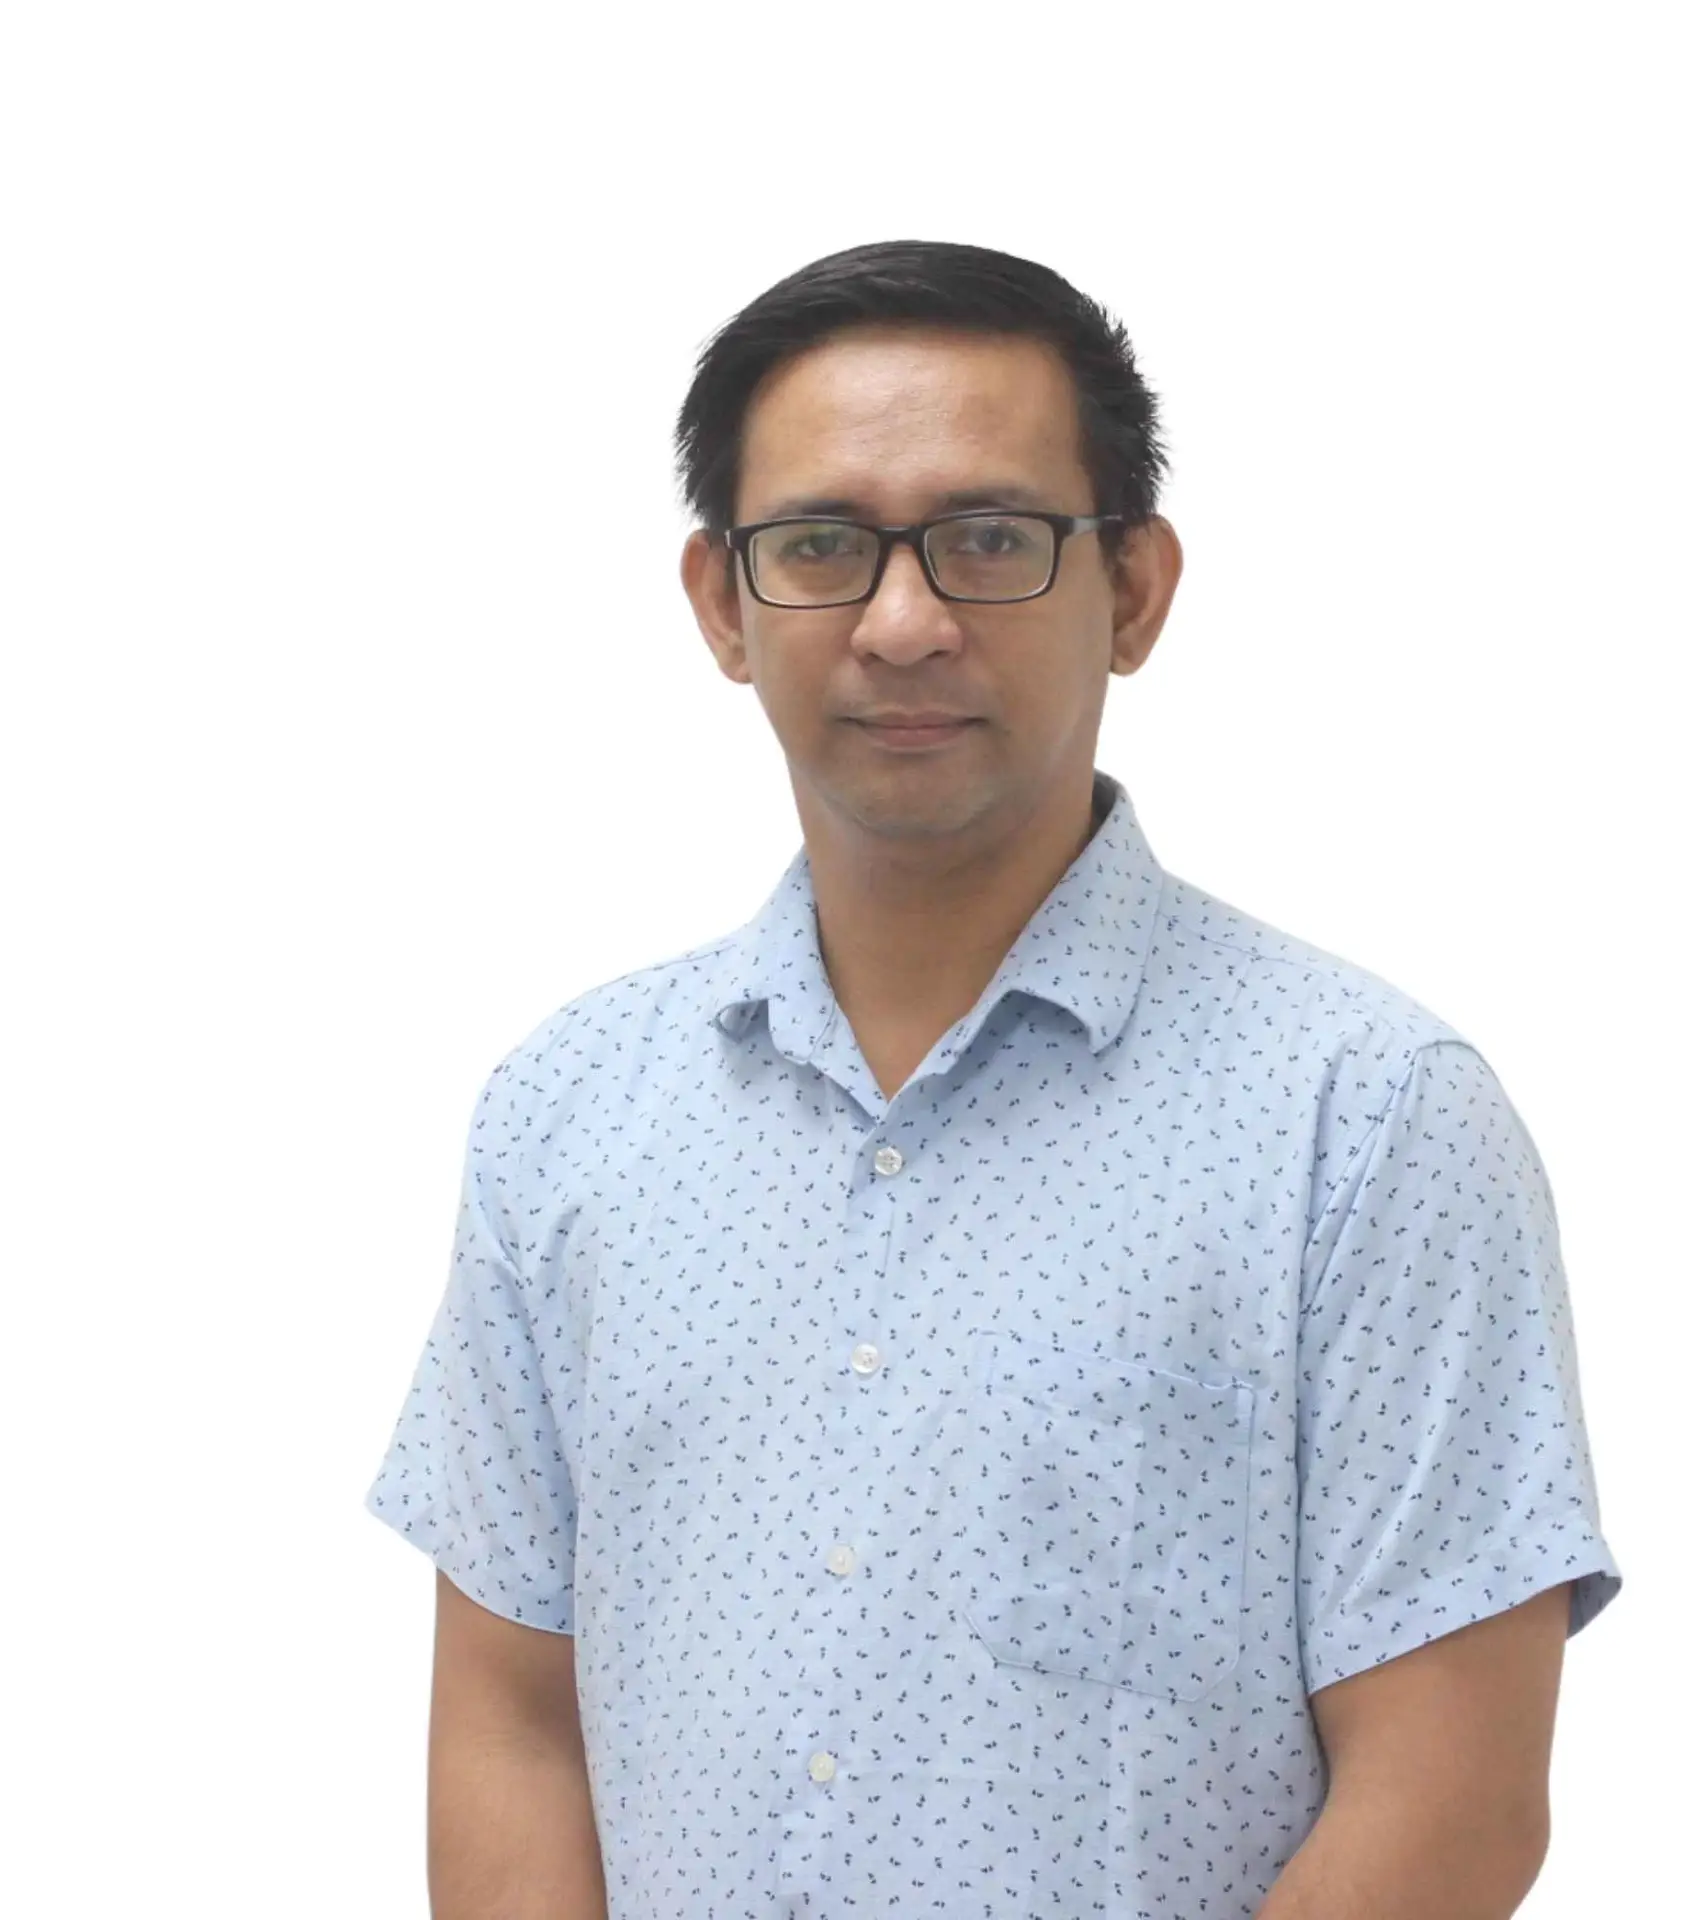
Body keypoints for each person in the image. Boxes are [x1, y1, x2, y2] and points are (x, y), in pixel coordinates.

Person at [364, 238, 1624, 1919]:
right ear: (724, 607)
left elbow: (1451, 1798)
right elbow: (514, 1730)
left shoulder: (1367, 1117)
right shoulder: (568, 1113)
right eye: (821, 546)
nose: (903, 621)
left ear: (1139, 587)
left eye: (990, 540)